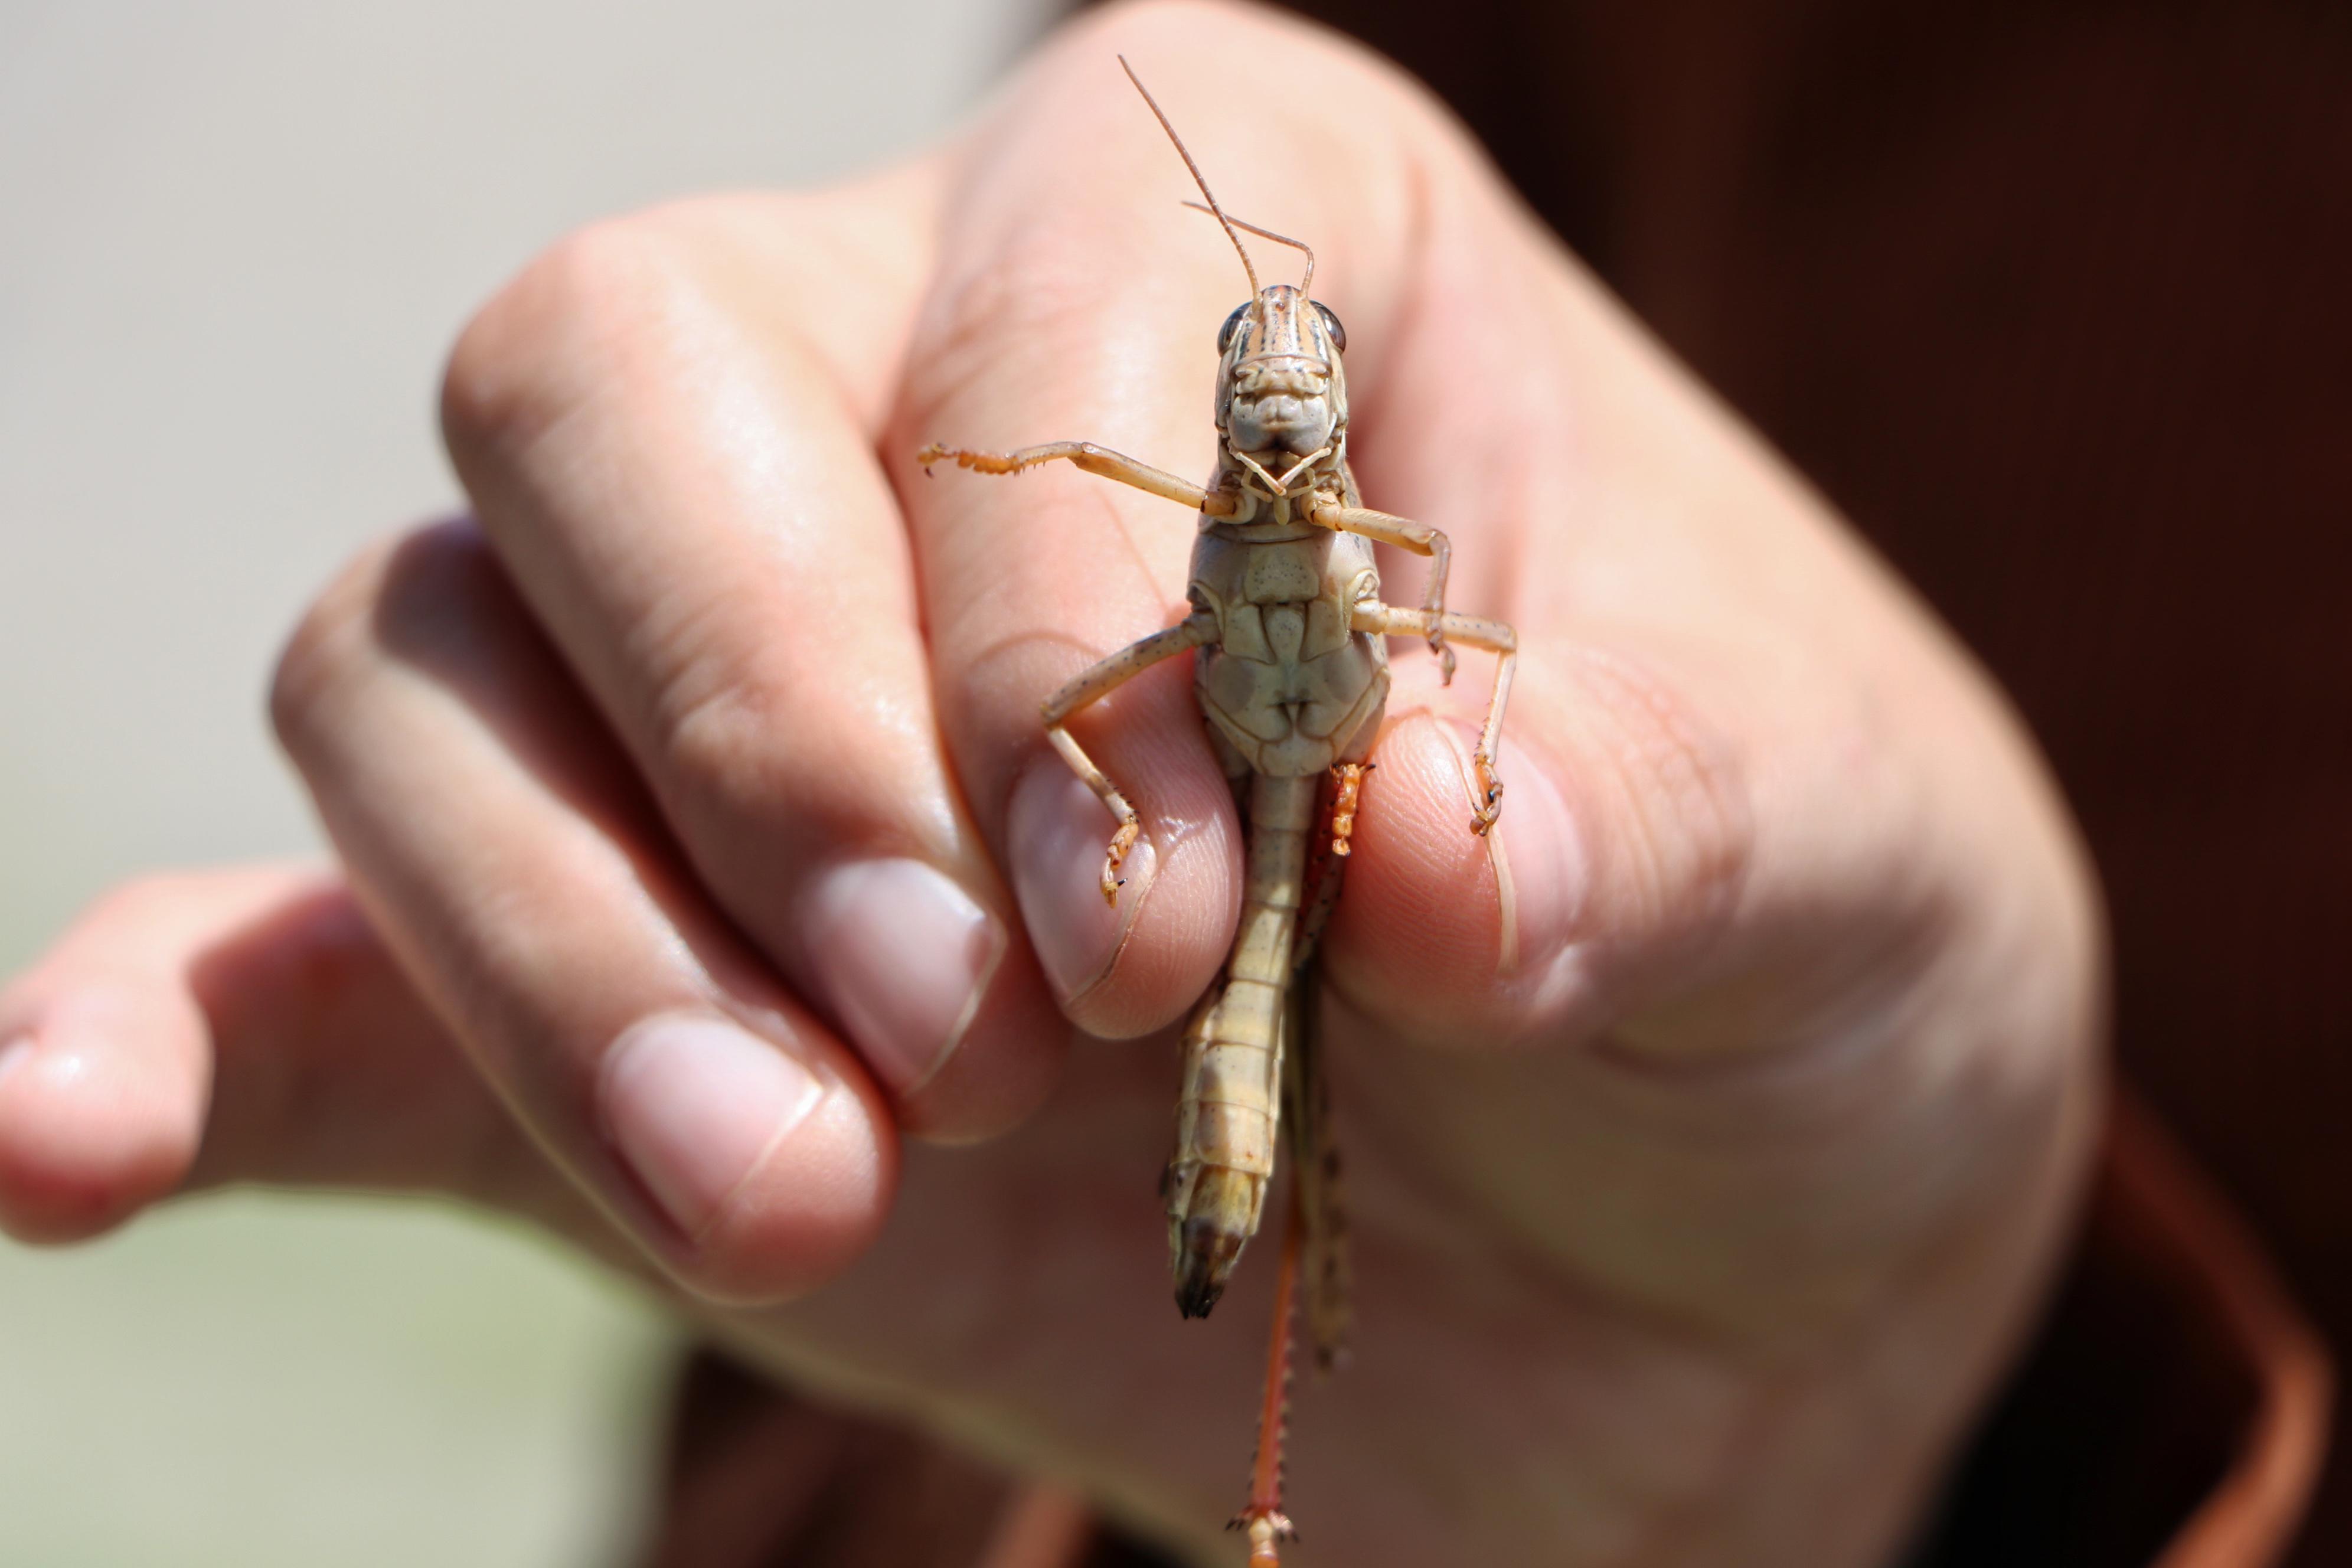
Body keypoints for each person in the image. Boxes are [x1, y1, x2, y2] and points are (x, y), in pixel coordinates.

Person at [1, 2, 2266, 1562]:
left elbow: (1441, 605)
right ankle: (1245, 1311)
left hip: (1324, 805)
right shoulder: (1248, 454)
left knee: (1286, 971)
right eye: (1249, 380)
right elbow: (1135, 541)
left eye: (1306, 386)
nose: (1278, 405)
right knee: (1183, 946)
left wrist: (1953, 1444)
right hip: (1231, 824)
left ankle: (1309, 1284)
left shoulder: (1378, 531)